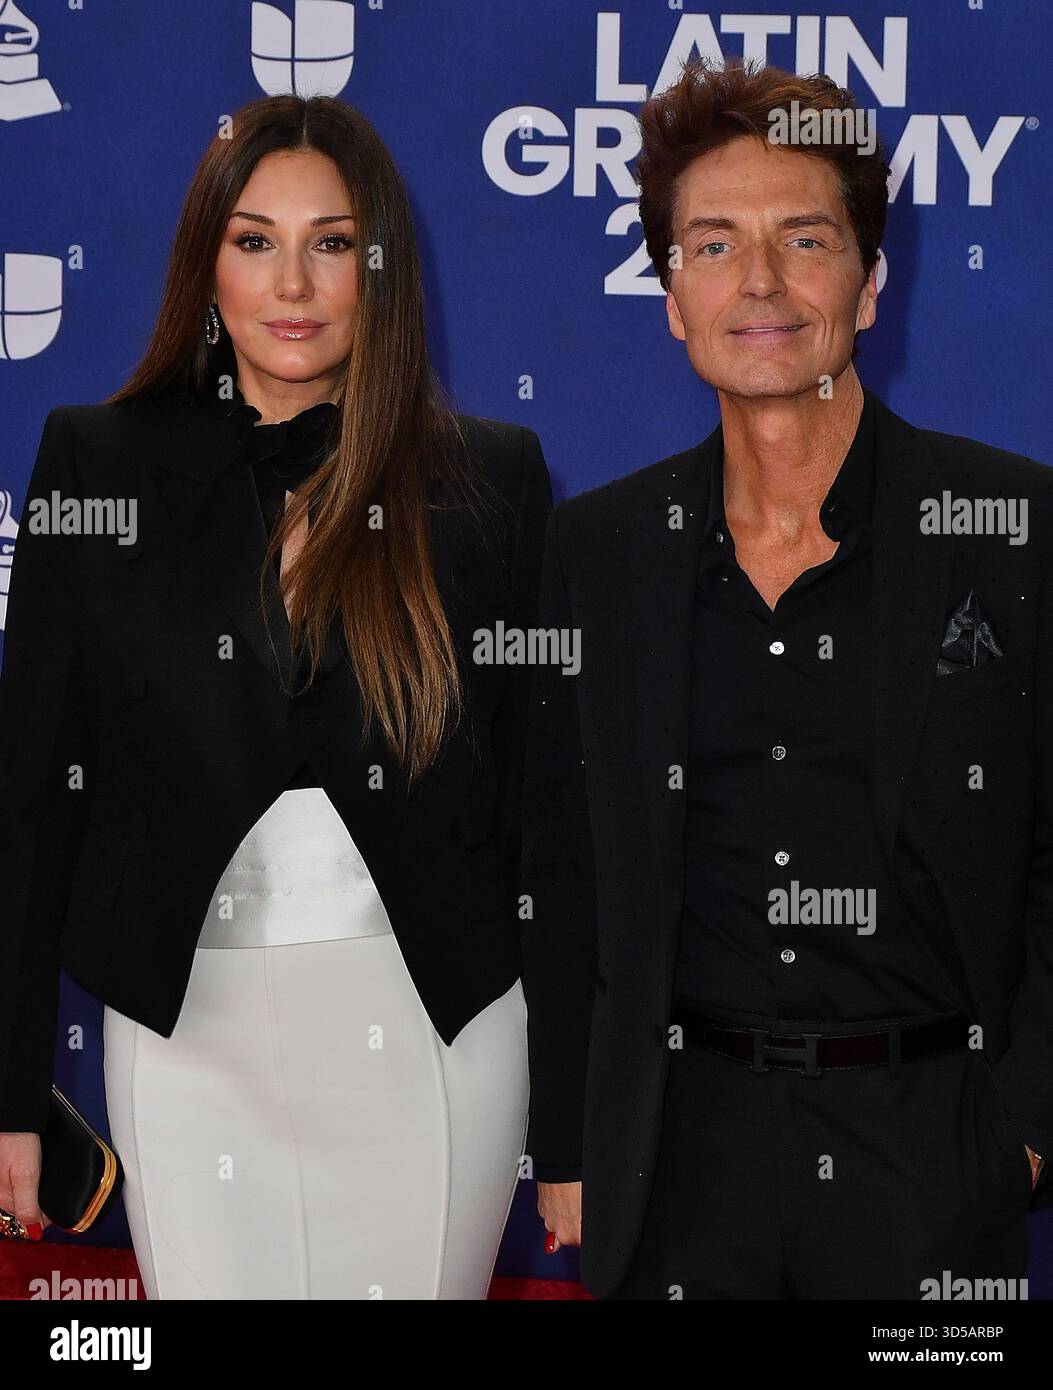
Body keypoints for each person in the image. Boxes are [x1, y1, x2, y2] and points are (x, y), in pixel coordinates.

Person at [0, 94, 551, 1299]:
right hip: (186, 1035)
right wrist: (9, 1098)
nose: (293, 282)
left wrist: (565, 1129)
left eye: (332, 242)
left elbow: (546, 823)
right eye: (255, 240)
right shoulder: (96, 463)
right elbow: (29, 804)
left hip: (435, 1032)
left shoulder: (489, 482)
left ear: (380, 269)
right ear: (207, 267)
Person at [521, 57, 1051, 1300]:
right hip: (675, 1163)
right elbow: (564, 866)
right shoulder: (600, 552)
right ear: (672, 297)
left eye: (803, 239)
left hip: (933, 1158)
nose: (758, 281)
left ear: (870, 281)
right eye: (714, 245)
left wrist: (1023, 1130)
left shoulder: (1012, 529)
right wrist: (571, 1142)